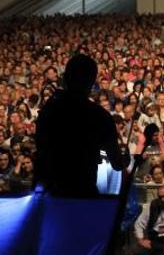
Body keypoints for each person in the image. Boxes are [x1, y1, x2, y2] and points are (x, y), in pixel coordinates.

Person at [34, 54, 128, 196]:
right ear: (91, 82)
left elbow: (41, 147)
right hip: (83, 192)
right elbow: (116, 163)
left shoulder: (49, 109)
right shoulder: (100, 116)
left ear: (65, 78)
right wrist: (127, 159)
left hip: (50, 192)